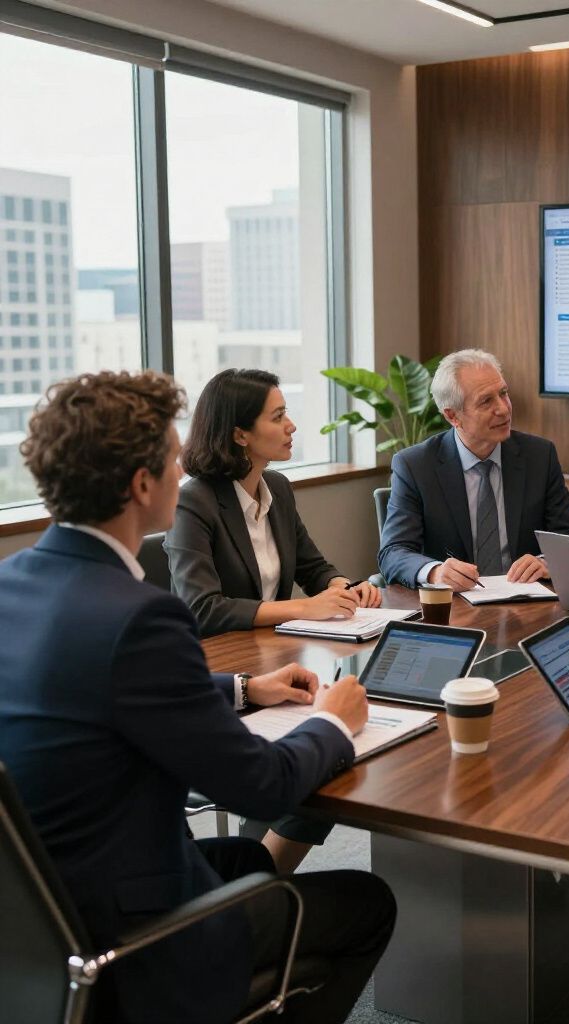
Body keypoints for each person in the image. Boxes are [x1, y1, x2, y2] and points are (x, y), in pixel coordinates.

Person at [0, 370, 395, 1024]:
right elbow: (261, 790)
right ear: (142, 484)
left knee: (246, 857)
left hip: (39, 918)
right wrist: (330, 723)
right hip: (126, 939)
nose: (183, 461)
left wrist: (242, 687)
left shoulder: (12, 583)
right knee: (366, 903)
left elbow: (91, 691)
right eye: (170, 453)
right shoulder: (142, 618)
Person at [166, 367, 380, 640]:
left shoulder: (277, 487)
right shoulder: (192, 503)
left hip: (272, 646)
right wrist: (304, 607)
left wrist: (344, 587)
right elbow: (203, 609)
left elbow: (312, 568)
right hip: (220, 659)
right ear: (240, 435)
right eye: (278, 417)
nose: (291, 425)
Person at [377, 348, 569, 590]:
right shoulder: (416, 466)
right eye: (486, 401)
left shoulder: (539, 456)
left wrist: (546, 562)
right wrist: (435, 572)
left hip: (526, 602)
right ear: (453, 416)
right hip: (454, 607)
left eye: (503, 393)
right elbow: (393, 553)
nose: (504, 409)